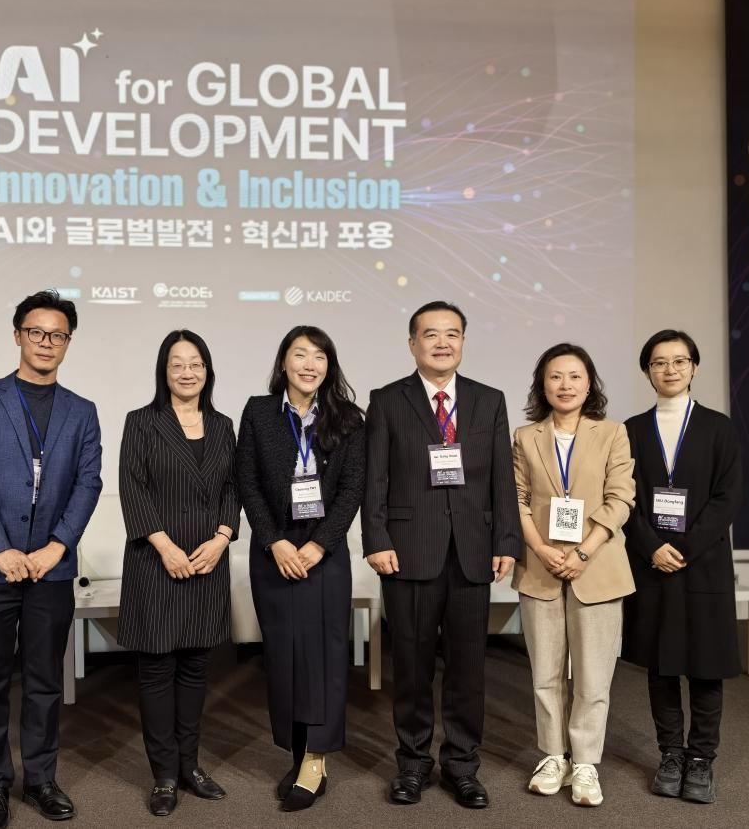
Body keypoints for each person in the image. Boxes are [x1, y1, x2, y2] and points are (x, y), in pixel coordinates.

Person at [362, 300, 520, 809]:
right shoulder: (388, 400)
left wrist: (507, 541)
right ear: (413, 344)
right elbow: (375, 477)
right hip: (408, 551)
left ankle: (462, 766)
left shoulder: (488, 400)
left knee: (468, 668)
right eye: (431, 334)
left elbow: (502, 478)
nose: (442, 342)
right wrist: (376, 538)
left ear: (463, 342)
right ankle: (412, 764)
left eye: (452, 333)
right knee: (411, 666)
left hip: (473, 551)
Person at [0, 290, 102, 828]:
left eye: (57, 335)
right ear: (17, 335)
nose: (46, 342)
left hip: (51, 568)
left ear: (68, 343)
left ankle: (40, 780)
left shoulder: (82, 411)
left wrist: (58, 545)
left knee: (44, 681)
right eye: (36, 332)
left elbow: (88, 482)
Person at [235, 325, 365, 812]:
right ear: (284, 362)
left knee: (323, 659)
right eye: (300, 355)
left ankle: (316, 760)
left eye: (319, 357)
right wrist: (274, 541)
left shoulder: (348, 418)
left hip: (323, 554)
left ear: (329, 366)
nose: (310, 365)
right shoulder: (259, 412)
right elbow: (246, 480)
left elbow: (352, 489)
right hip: (274, 551)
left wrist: (318, 546)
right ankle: (297, 752)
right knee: (284, 657)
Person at [117, 330, 240, 817]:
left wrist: (223, 537)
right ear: (163, 371)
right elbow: (133, 488)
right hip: (156, 561)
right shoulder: (142, 422)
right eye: (177, 364)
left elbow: (233, 488)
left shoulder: (224, 425)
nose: (187, 372)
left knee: (195, 670)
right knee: (155, 671)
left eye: (196, 364)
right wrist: (165, 545)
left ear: (207, 371)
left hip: (208, 560)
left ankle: (191, 766)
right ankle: (164, 775)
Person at [511, 343, 636, 807]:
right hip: (540, 566)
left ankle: (585, 762)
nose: (565, 385)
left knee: (593, 676)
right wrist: (541, 548)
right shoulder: (526, 436)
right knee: (544, 674)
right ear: (542, 385)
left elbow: (621, 498)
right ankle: (552, 756)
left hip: (597, 566)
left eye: (575, 376)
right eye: (555, 377)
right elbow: (517, 498)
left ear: (589, 384)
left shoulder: (613, 433)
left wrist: (583, 551)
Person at [621, 330, 743, 805]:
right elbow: (623, 498)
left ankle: (701, 760)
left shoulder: (718, 428)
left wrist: (686, 548)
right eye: (658, 362)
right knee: (662, 665)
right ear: (647, 371)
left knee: (706, 666)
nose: (669, 370)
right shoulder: (631, 430)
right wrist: (651, 546)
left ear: (694, 367)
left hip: (703, 563)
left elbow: (726, 498)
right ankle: (671, 755)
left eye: (679, 361)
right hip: (652, 564)